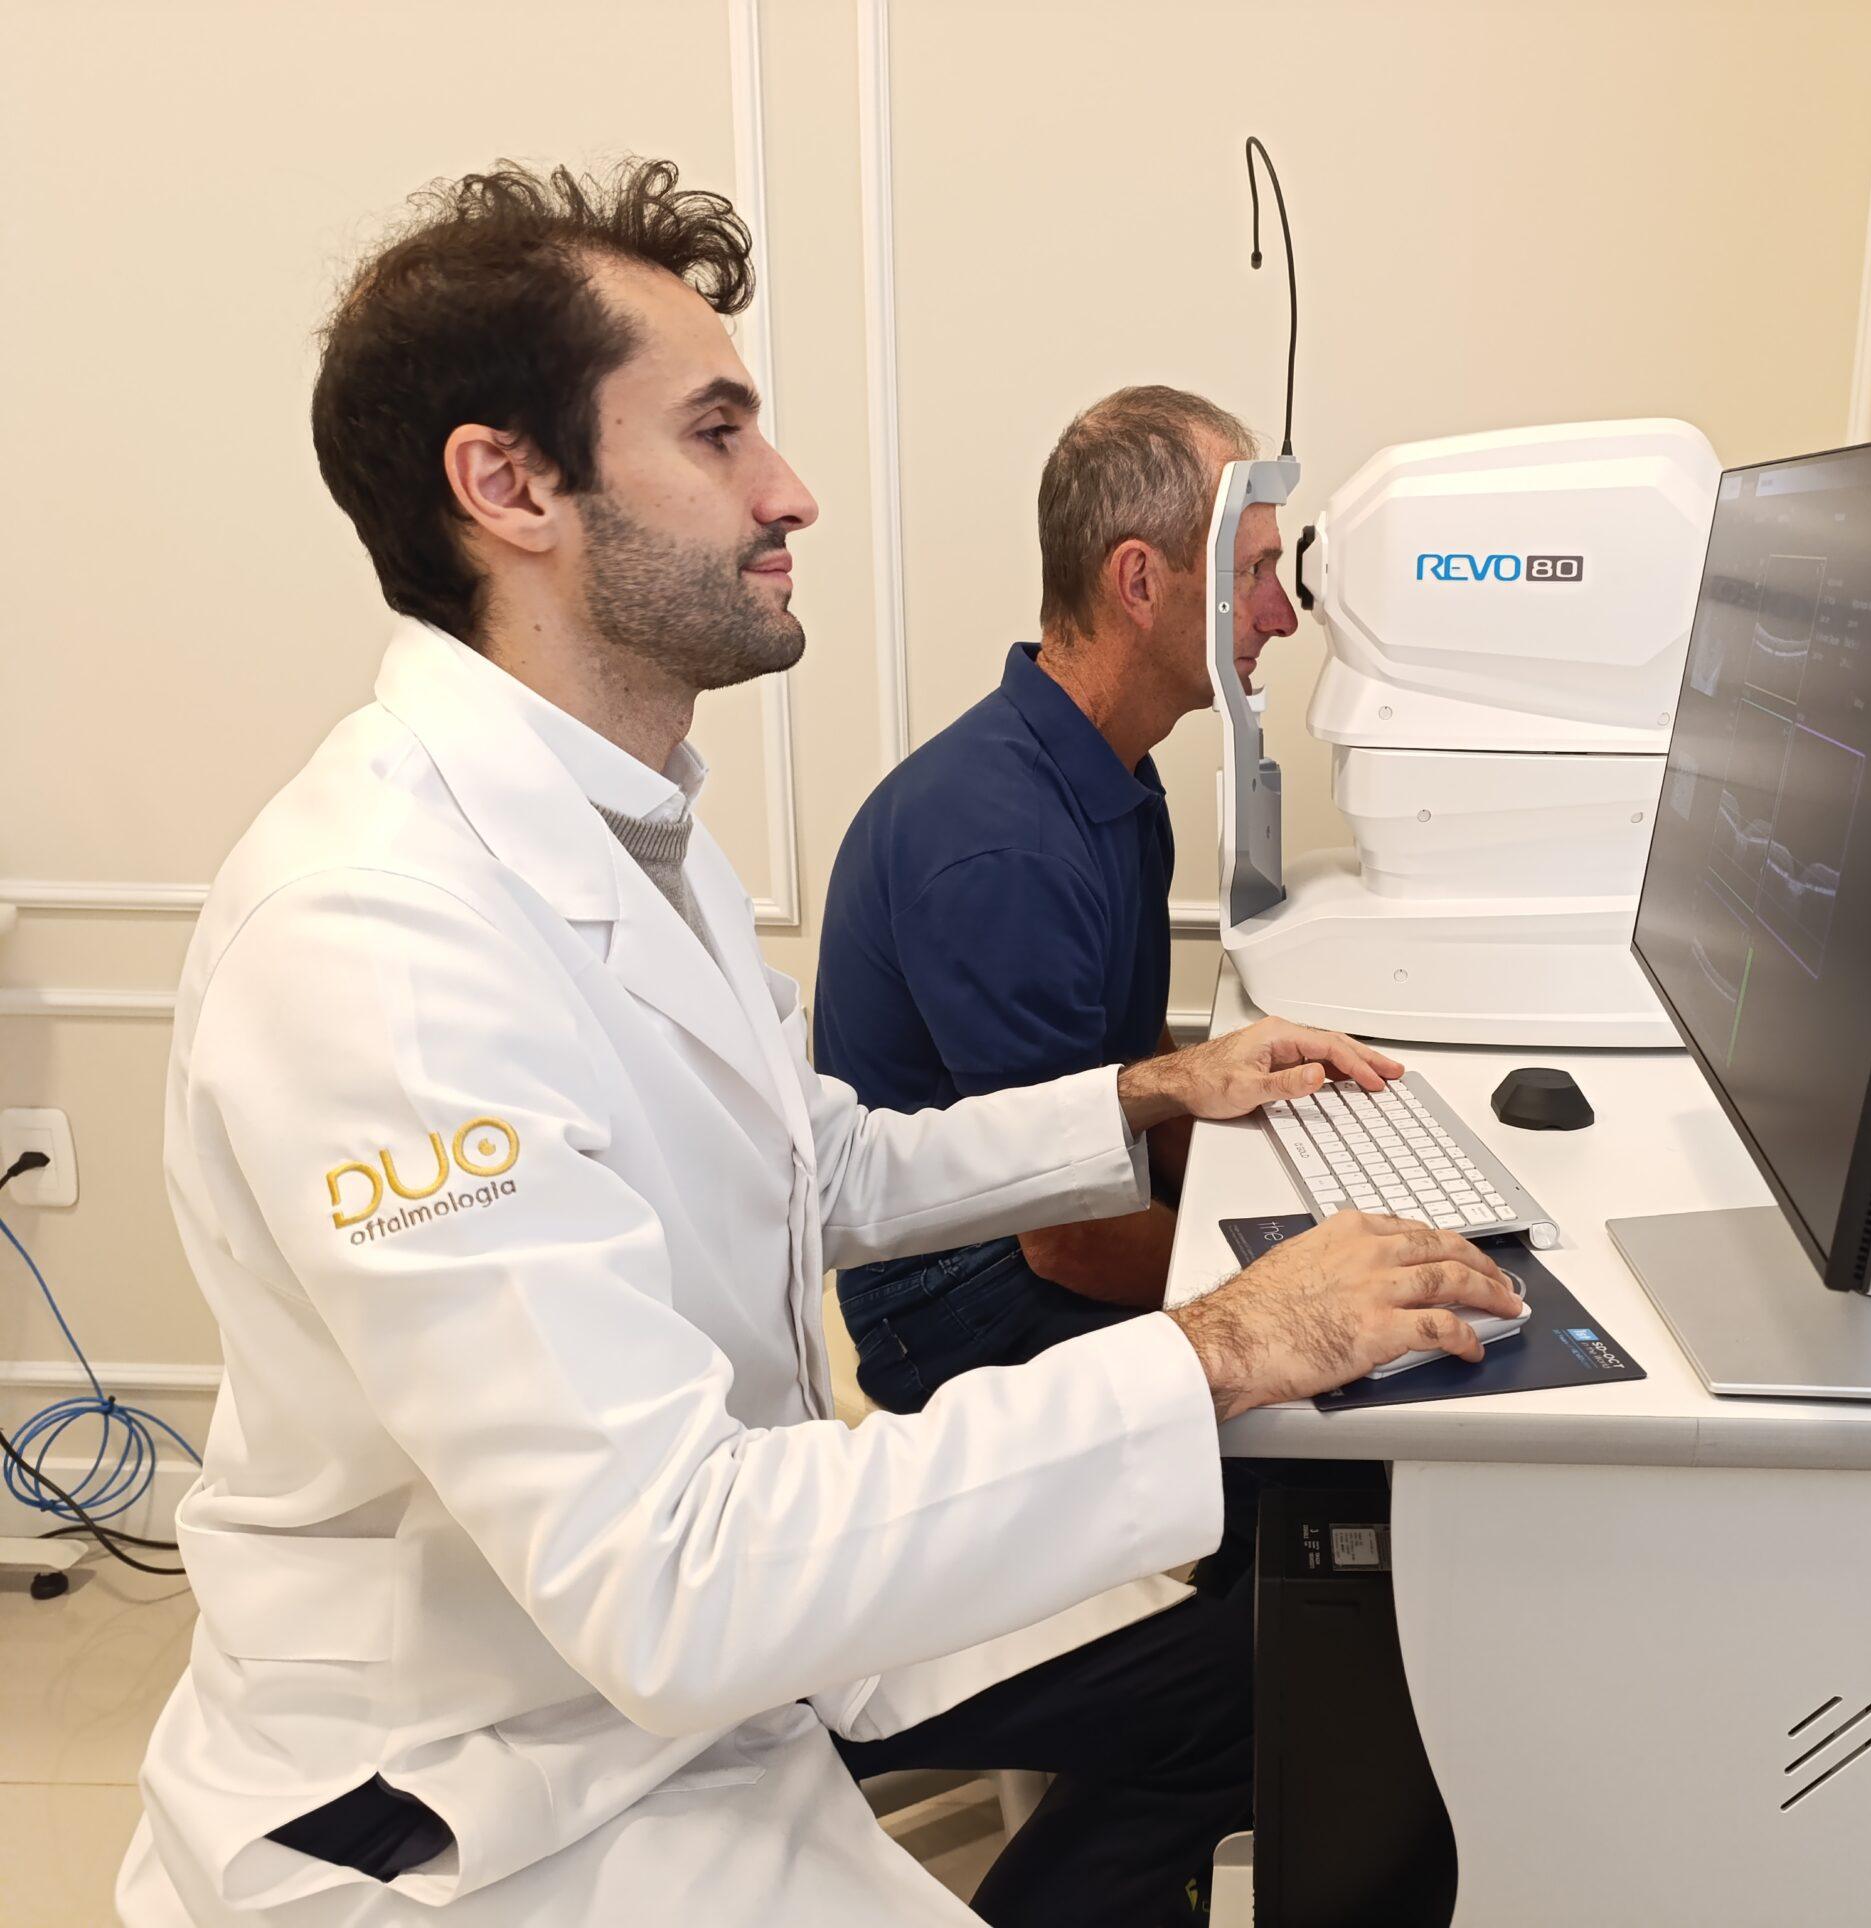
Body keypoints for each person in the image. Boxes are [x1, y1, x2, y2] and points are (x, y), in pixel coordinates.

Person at [115, 159, 1521, 1928]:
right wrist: (1226, 1344)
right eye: (717, 434)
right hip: (489, 1788)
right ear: (509, 485)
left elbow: (819, 1153)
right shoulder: (373, 942)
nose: (791, 491)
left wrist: (1139, 1094)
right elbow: (667, 1576)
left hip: (691, 1672)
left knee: (1282, 1689)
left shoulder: (631, 823)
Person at [815, 386, 1297, 1415]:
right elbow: (1065, 1237)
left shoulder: (1108, 768)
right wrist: (1285, 1286)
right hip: (951, 1292)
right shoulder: (1002, 846)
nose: (1282, 613)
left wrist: (1274, 1193)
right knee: (1320, 1383)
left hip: (1051, 1224)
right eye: (1253, 572)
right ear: (1139, 581)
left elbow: (1131, 1056)